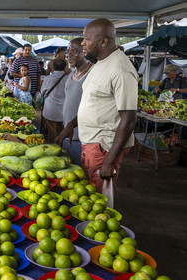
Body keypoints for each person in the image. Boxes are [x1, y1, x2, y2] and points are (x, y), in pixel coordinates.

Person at [55, 18, 138, 194]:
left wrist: (109, 161)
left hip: (104, 146)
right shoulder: (100, 62)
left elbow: (129, 119)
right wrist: (71, 125)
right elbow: (94, 102)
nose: (83, 43)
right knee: (89, 194)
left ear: (103, 41)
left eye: (86, 39)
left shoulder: (121, 69)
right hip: (91, 142)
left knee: (99, 199)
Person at [61, 38, 94, 165]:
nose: (69, 55)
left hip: (86, 139)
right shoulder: (70, 76)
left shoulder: (93, 74)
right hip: (69, 135)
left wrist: (71, 125)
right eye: (68, 51)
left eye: (74, 51)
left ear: (85, 51)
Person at [41, 58, 68, 143]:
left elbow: (42, 92)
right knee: (62, 131)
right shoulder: (69, 78)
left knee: (52, 132)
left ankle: (53, 149)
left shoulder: (48, 78)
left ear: (53, 67)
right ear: (65, 67)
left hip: (50, 109)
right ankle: (63, 149)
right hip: (64, 110)